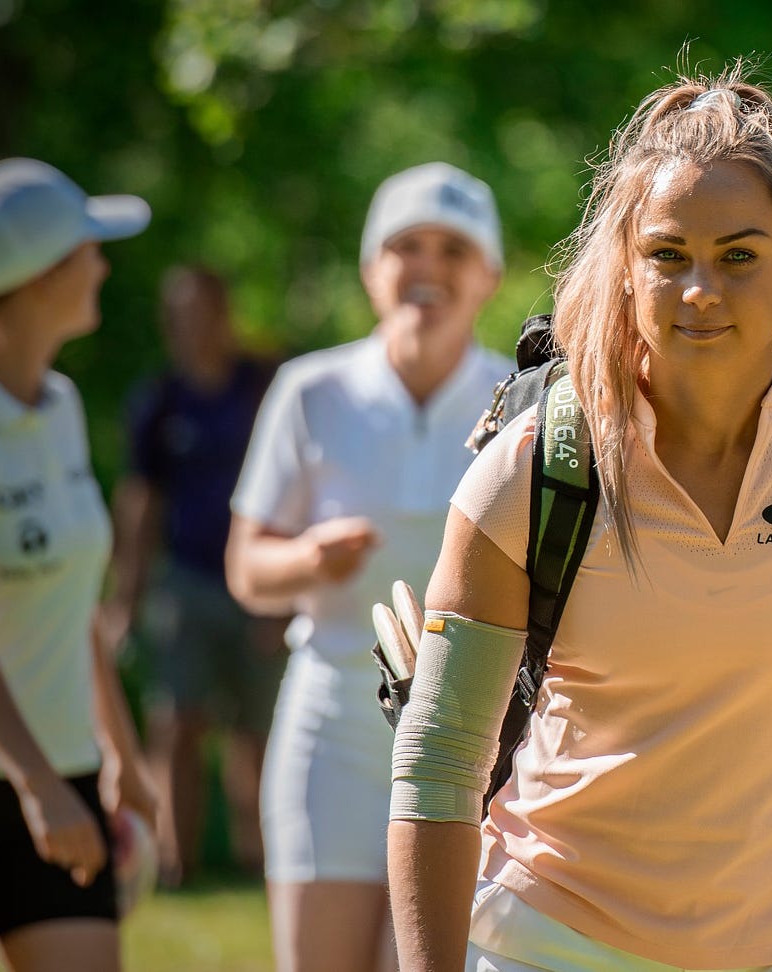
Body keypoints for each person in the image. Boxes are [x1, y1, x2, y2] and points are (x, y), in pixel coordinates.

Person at [387, 70, 772, 972]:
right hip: (552, 945)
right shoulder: (535, 467)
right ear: (625, 269)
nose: (702, 289)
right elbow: (439, 761)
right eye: (668, 254)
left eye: (739, 255)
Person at [225, 162, 512, 972]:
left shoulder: (519, 403)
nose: (428, 268)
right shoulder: (310, 391)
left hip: (472, 734)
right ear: (370, 269)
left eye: (453, 250)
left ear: (488, 273)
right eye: (406, 246)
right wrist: (307, 558)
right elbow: (246, 570)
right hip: (333, 728)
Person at [0, 157, 157, 972]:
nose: (102, 265)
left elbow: (77, 607)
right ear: (43, 276)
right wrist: (35, 785)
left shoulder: (65, 406)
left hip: (62, 766)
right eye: (89, 250)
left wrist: (120, 754)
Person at [97, 265, 285, 887]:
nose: (188, 327)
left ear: (223, 313)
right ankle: (176, 863)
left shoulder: (262, 388)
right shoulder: (159, 402)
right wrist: (124, 598)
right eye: (176, 316)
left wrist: (282, 598)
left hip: (257, 586)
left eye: (200, 312)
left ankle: (256, 858)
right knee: (177, 722)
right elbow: (140, 503)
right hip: (184, 584)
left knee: (254, 729)